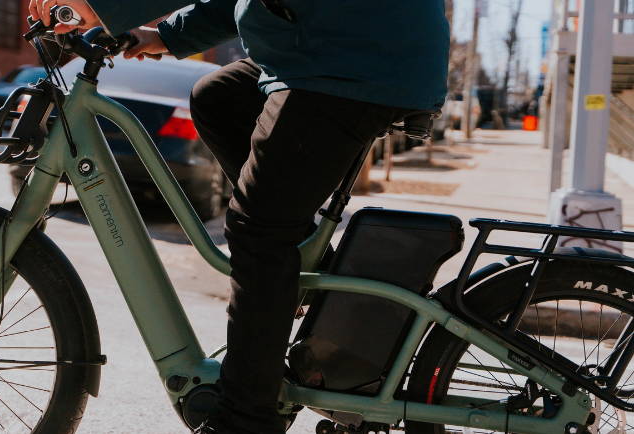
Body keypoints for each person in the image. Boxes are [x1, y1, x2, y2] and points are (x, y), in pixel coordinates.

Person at [29, 1, 449, 432]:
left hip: (352, 62)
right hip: (334, 51)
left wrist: (101, 5)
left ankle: (246, 420)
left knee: (259, 232)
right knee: (218, 97)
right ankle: (305, 267)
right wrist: (165, 36)